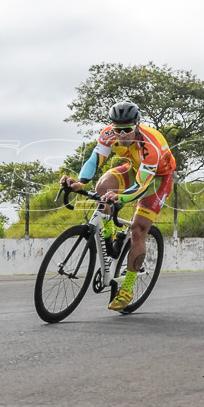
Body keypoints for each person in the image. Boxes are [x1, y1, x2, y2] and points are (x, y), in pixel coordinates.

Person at [59, 101, 176, 311]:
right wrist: (81, 182)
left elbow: (141, 185)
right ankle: (110, 236)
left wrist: (121, 198)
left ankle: (127, 289)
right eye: (117, 130)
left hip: (157, 178)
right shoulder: (108, 134)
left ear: (137, 125)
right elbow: (95, 159)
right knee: (103, 186)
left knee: (138, 230)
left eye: (127, 130)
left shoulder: (150, 145)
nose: (121, 135)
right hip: (133, 167)